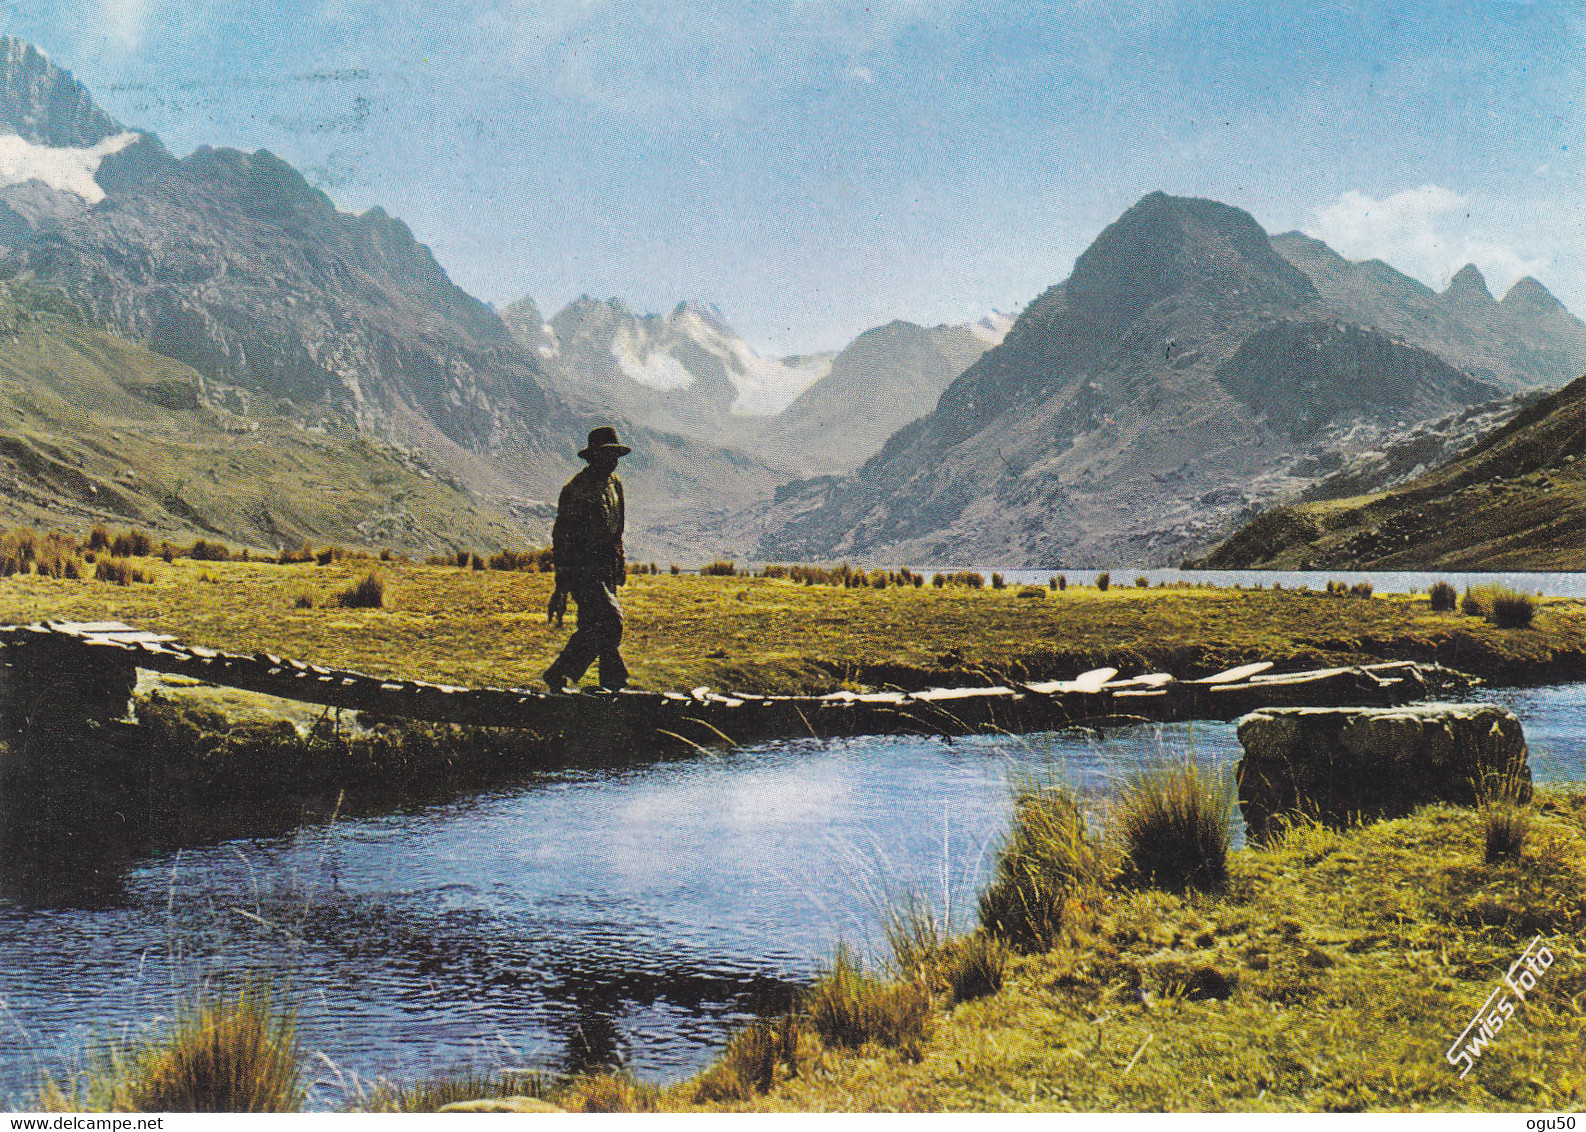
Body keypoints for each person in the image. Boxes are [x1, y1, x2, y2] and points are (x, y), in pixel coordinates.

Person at [542, 426, 631, 691]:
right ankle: (571, 672)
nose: (613, 460)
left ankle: (609, 686)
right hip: (583, 570)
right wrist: (562, 584)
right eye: (606, 455)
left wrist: (619, 563)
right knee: (611, 622)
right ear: (594, 457)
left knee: (596, 627)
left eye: (615, 455)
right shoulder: (576, 490)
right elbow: (561, 538)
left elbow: (617, 530)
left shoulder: (615, 485)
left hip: (607, 569)